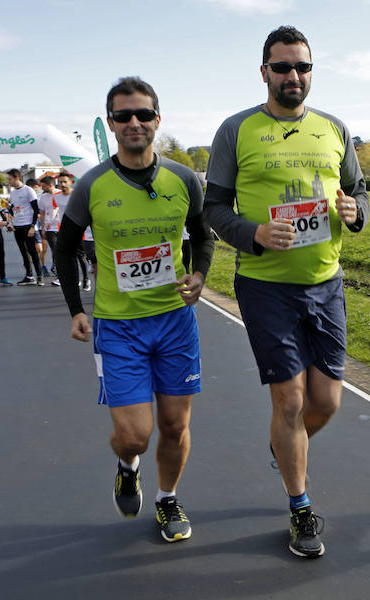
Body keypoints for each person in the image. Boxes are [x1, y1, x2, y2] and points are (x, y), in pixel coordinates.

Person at [204, 25, 369, 558]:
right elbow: (213, 209)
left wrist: (355, 212)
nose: (293, 76)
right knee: (291, 399)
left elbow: (358, 192)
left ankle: (284, 444)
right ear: (264, 72)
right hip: (266, 286)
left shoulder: (335, 128)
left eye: (303, 67)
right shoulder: (236, 130)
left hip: (327, 283)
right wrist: (252, 234)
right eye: (282, 67)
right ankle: (300, 508)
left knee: (326, 402)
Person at [56, 76, 214, 544]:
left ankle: (167, 499)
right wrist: (75, 309)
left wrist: (199, 276)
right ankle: (128, 465)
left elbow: (204, 234)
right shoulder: (93, 185)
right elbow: (64, 248)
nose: (134, 123)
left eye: (143, 114)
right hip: (118, 326)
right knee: (136, 434)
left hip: (174, 322)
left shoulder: (183, 178)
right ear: (111, 124)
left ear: (157, 121)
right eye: (123, 116)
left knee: (175, 424)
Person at [5, 169, 44, 285]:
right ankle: (29, 276)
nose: (9, 181)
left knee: (33, 251)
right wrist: (9, 214)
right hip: (17, 226)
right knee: (23, 252)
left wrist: (33, 226)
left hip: (28, 225)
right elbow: (13, 209)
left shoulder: (29, 190)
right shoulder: (12, 193)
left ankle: (40, 276)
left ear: (17, 178)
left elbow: (36, 209)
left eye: (10, 179)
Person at [51, 172, 88, 288]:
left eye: (64, 182)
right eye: (60, 182)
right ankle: (75, 280)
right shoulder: (56, 197)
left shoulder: (78, 195)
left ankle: (86, 279)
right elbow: (55, 211)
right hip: (63, 231)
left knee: (81, 257)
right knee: (69, 258)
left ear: (71, 182)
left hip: (78, 230)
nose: (62, 184)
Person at [37, 175, 61, 282]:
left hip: (62, 227)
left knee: (64, 251)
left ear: (50, 185)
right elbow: (42, 213)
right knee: (55, 251)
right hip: (50, 228)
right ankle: (58, 275)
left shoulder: (61, 194)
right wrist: (42, 228)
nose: (42, 188)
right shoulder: (43, 197)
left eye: (44, 186)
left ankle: (65, 273)